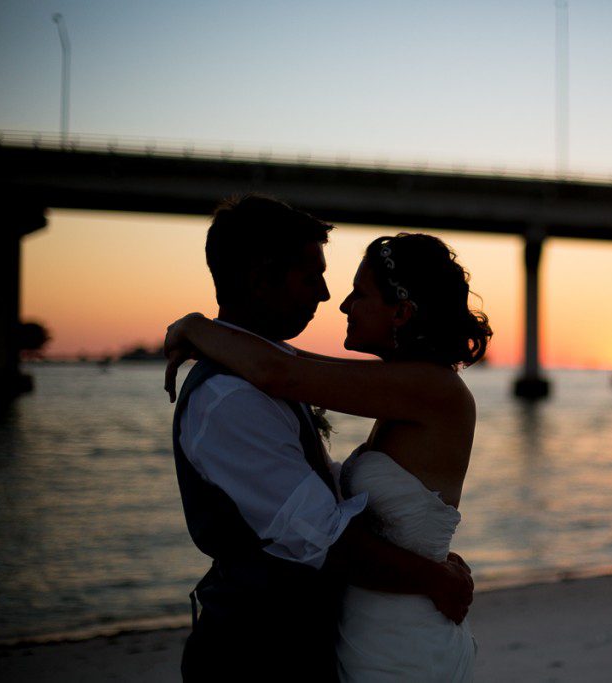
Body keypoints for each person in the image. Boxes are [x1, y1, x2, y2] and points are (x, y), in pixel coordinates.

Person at [168, 196, 475, 681]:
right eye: (313, 277)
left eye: (359, 292)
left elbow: (283, 370)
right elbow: (287, 367)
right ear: (260, 277)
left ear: (402, 312)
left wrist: (196, 327)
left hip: (380, 635)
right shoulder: (234, 393)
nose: (335, 299)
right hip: (266, 652)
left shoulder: (425, 387)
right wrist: (433, 571)